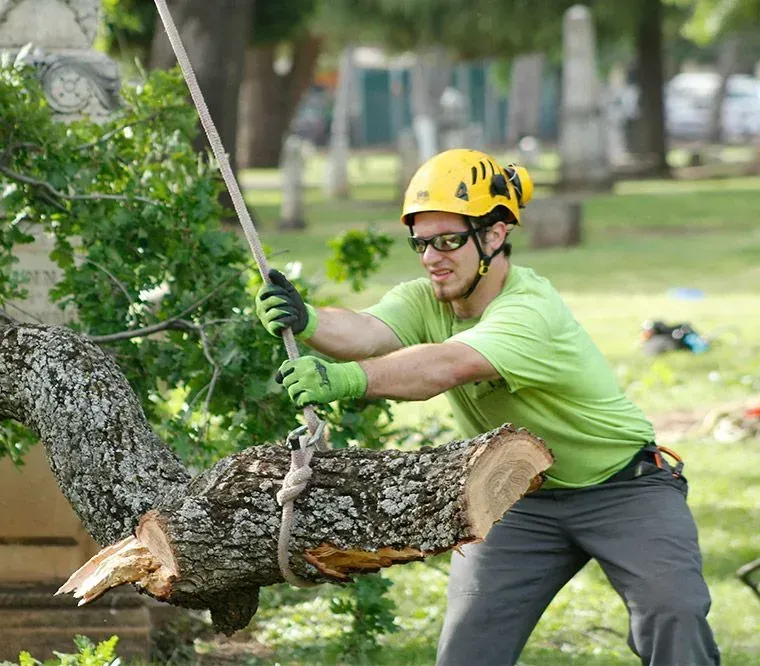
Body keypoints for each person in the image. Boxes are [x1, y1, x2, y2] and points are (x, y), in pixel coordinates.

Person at [254, 148, 720, 666]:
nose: (433, 257)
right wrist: (308, 319)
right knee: (468, 651)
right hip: (517, 498)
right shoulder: (427, 297)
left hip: (623, 487)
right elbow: (368, 331)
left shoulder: (529, 309)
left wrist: (345, 379)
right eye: (422, 243)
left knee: (672, 613)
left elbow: (447, 365)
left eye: (450, 240)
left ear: (494, 236)